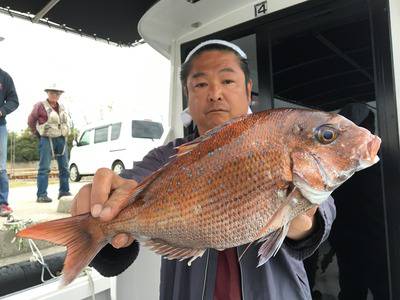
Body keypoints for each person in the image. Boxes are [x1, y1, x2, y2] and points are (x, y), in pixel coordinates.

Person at [71, 40, 336, 299]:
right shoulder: (166, 158)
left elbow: (324, 210)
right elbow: (128, 186)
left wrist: (304, 224)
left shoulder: (275, 139)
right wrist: (104, 214)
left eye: (227, 81)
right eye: (200, 84)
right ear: (187, 94)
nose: (215, 93)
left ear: (248, 88)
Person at [328, 103, 389, 299]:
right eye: (369, 125)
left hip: (350, 240)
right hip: (372, 240)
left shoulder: (333, 161)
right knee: (378, 288)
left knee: (353, 288)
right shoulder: (377, 159)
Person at [28, 83, 72, 203]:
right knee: (44, 168)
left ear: (60, 95)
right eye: (52, 92)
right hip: (47, 139)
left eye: (57, 93)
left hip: (61, 138)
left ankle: (64, 191)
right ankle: (41, 194)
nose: (55, 95)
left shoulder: (63, 107)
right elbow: (31, 120)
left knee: (65, 168)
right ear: (47, 93)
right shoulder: (40, 106)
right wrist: (38, 134)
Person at [0, 68, 19, 217]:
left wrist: (2, 111)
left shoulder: (4, 77)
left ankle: (2, 204)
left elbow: (14, 100)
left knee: (0, 167)